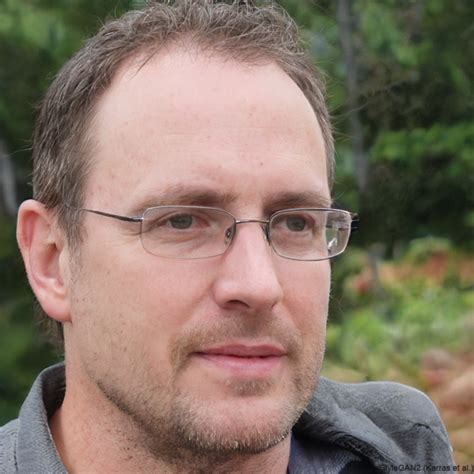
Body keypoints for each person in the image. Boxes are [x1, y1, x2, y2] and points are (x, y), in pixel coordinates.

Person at [1, 1, 453, 472]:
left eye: (296, 223)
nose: (259, 285)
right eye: (182, 222)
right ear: (52, 260)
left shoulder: (404, 447)